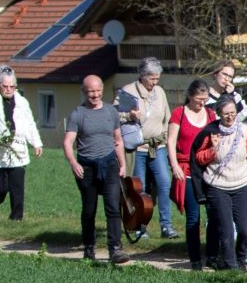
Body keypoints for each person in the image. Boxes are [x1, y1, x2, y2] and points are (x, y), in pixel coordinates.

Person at [195, 90, 247, 272]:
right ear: (219, 113)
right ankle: (230, 266)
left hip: (242, 184)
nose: (230, 117)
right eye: (226, 113)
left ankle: (241, 260)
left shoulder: (245, 131)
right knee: (226, 230)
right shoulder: (211, 132)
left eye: (233, 113)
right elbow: (199, 158)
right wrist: (213, 149)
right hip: (217, 186)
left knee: (244, 230)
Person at [63, 75, 130, 264]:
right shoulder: (78, 114)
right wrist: (73, 163)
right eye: (91, 91)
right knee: (89, 209)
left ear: (102, 90)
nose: (95, 95)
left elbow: (118, 140)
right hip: (87, 167)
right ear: (84, 92)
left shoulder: (111, 112)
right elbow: (68, 142)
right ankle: (89, 247)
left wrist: (123, 164)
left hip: (109, 164)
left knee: (113, 206)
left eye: (98, 90)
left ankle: (115, 249)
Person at [0, 66, 42, 220]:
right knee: (1, 189)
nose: (9, 89)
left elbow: (30, 124)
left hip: (17, 151)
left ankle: (16, 219)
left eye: (12, 86)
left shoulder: (22, 102)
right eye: (5, 86)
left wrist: (36, 143)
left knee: (17, 188)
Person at [117, 59, 175, 242]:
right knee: (138, 188)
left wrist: (164, 135)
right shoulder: (128, 91)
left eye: (157, 78)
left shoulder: (160, 92)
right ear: (142, 76)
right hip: (137, 148)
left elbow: (167, 117)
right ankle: (139, 227)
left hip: (158, 147)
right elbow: (114, 115)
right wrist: (129, 115)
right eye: (152, 78)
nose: (155, 82)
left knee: (164, 183)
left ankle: (166, 225)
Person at [166, 79, 214, 270]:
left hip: (207, 169)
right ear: (190, 96)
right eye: (199, 99)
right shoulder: (179, 113)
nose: (202, 103)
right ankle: (195, 259)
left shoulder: (210, 114)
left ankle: (212, 255)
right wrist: (174, 165)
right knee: (193, 217)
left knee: (213, 214)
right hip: (186, 168)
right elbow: (171, 141)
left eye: (205, 99)